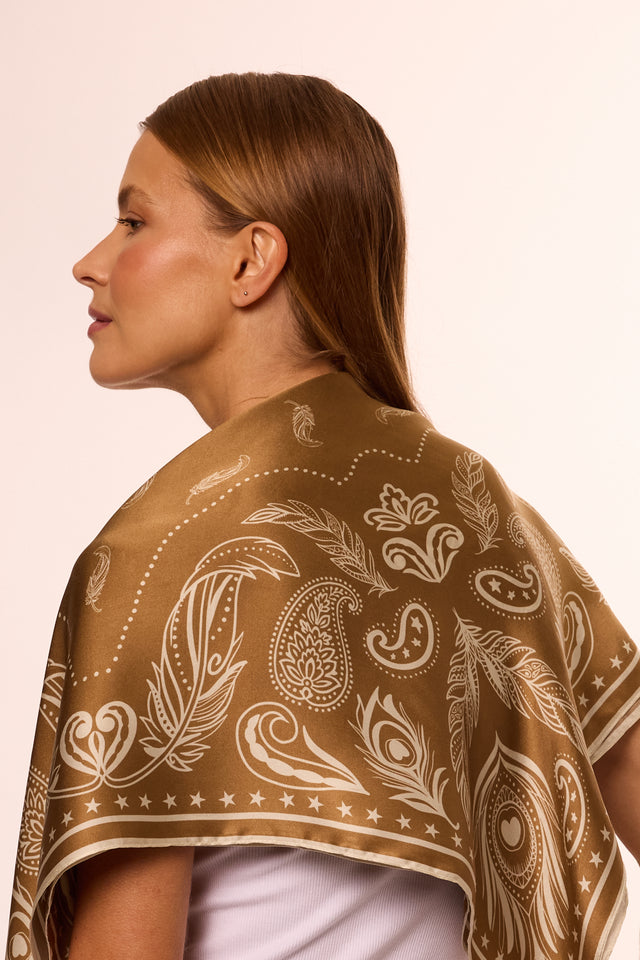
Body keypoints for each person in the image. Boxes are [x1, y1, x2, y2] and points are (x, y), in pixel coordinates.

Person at [6, 73, 640, 960]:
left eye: (134, 222)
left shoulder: (158, 557)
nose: (92, 261)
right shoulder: (472, 506)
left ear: (251, 260)